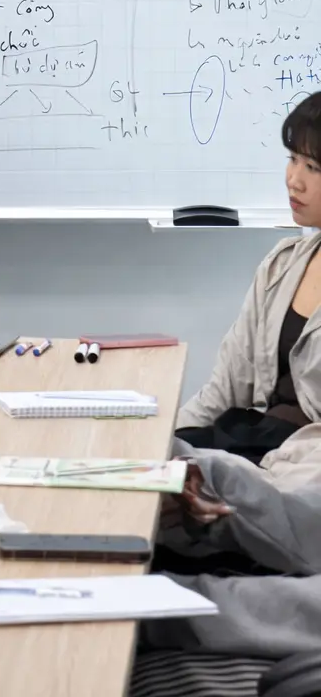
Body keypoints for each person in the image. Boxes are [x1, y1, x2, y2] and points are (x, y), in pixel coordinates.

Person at [174, 90, 321, 464]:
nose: (294, 180)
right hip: (253, 445)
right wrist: (164, 445)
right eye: (292, 160)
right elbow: (225, 387)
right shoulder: (281, 265)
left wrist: (237, 477)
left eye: (313, 168)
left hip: (302, 469)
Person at [126, 448, 321, 696]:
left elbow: (301, 607)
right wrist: (209, 482)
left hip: (270, 664)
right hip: (241, 625)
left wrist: (153, 601)